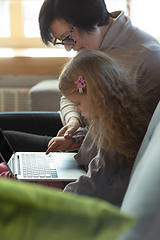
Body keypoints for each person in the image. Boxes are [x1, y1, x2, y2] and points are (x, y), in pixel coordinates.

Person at [0, 49, 150, 206]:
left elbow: (93, 179)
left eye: (78, 103)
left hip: (78, 188)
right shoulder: (109, 117)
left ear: (96, 96)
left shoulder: (113, 134)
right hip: (77, 174)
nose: (76, 110)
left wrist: (59, 201)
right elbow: (93, 137)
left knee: (7, 177)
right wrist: (73, 139)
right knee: (6, 168)